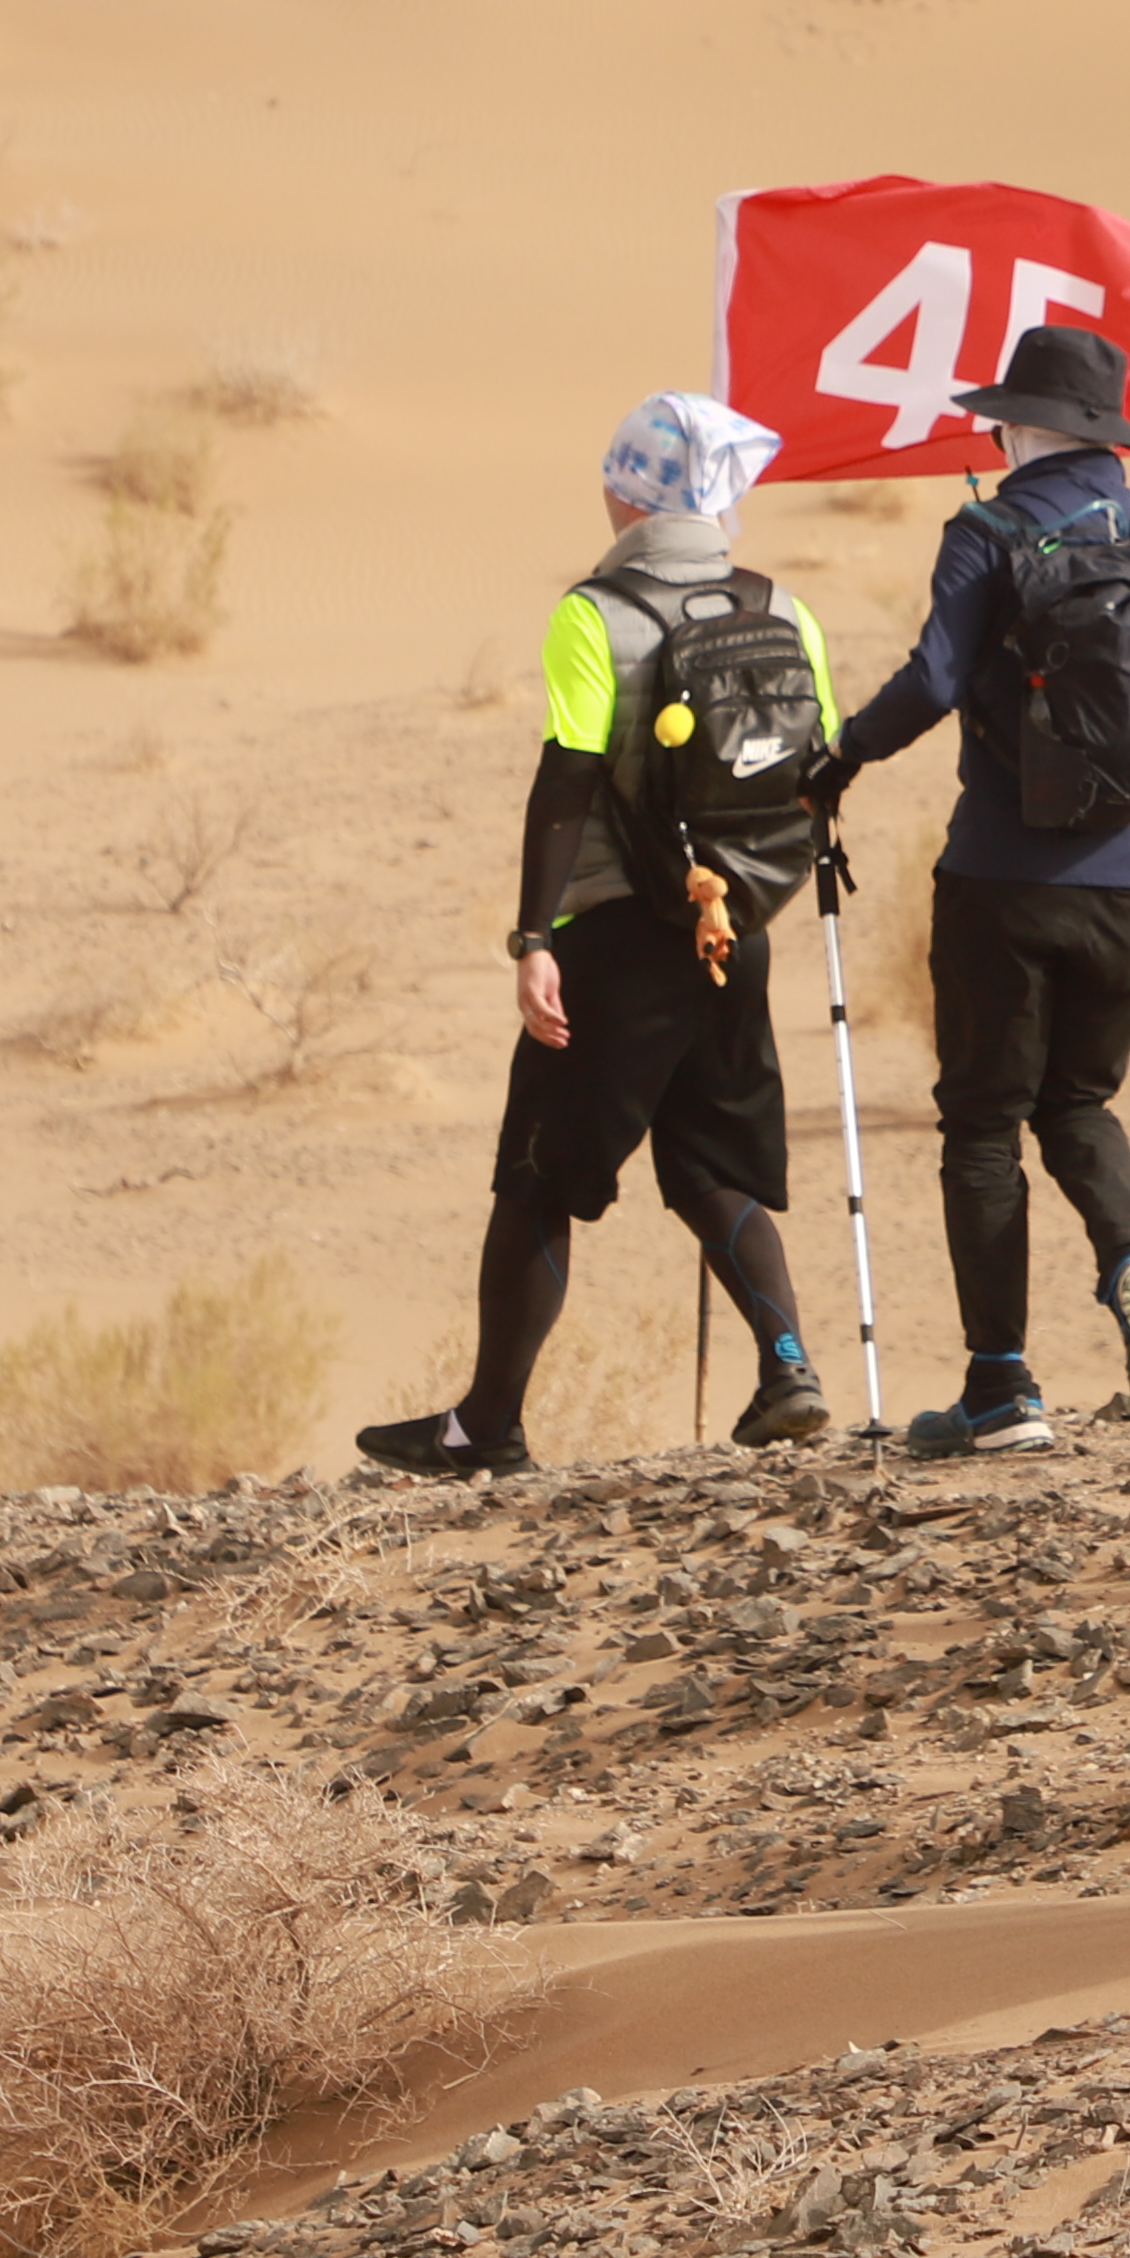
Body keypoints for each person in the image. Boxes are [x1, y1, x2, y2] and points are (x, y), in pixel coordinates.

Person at [358, 393, 848, 1478]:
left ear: (630, 493)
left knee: (539, 1173)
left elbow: (568, 775)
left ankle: (487, 1425)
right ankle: (787, 1366)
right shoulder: (784, 606)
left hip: (621, 941)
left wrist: (535, 934)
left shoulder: (597, 611)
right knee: (714, 1160)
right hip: (737, 931)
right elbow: (819, 765)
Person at [827, 318, 1130, 1460]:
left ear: (1027, 426)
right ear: (1105, 434)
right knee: (1078, 1101)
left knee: (982, 1120)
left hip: (1001, 875)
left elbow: (932, 677)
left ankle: (1001, 1387)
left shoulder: (985, 530)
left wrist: (843, 755)